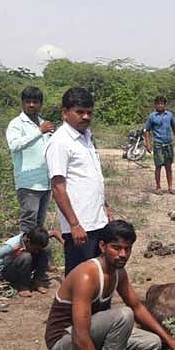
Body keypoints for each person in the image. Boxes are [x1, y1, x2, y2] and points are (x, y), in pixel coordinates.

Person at [45, 220, 175, 350]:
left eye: (127, 249)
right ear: (102, 246)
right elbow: (80, 337)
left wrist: (169, 339)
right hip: (63, 342)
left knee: (152, 344)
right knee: (123, 315)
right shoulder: (87, 275)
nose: (122, 254)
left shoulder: (118, 272)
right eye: (116, 248)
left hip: (88, 335)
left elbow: (137, 306)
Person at [45, 87, 112, 275]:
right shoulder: (60, 142)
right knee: (80, 278)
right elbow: (58, 187)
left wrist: (105, 207)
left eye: (89, 113)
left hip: (97, 220)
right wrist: (74, 224)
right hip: (80, 225)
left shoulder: (86, 137)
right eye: (79, 112)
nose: (85, 117)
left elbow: (90, 178)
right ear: (65, 113)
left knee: (99, 274)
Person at [6, 86, 55, 235]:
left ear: (41, 104)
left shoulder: (43, 123)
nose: (31, 105)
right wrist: (39, 132)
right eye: (28, 101)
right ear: (23, 103)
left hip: (45, 183)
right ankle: (23, 255)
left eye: (35, 102)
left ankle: (37, 256)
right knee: (28, 223)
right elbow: (14, 145)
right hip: (28, 183)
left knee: (39, 225)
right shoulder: (16, 124)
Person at [0, 227, 63, 297]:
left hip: (23, 266)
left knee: (43, 251)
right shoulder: (12, 246)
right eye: (34, 248)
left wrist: (64, 243)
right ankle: (23, 286)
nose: (36, 251)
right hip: (8, 271)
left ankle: (36, 281)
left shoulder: (36, 237)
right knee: (26, 256)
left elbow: (54, 232)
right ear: (27, 241)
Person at [144, 96, 175, 195]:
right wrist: (148, 144)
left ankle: (170, 188)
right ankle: (158, 187)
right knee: (158, 166)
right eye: (158, 103)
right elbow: (147, 130)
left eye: (162, 103)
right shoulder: (152, 116)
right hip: (158, 144)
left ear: (165, 105)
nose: (160, 105)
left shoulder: (169, 115)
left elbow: (174, 128)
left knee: (169, 167)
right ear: (155, 105)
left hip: (169, 144)